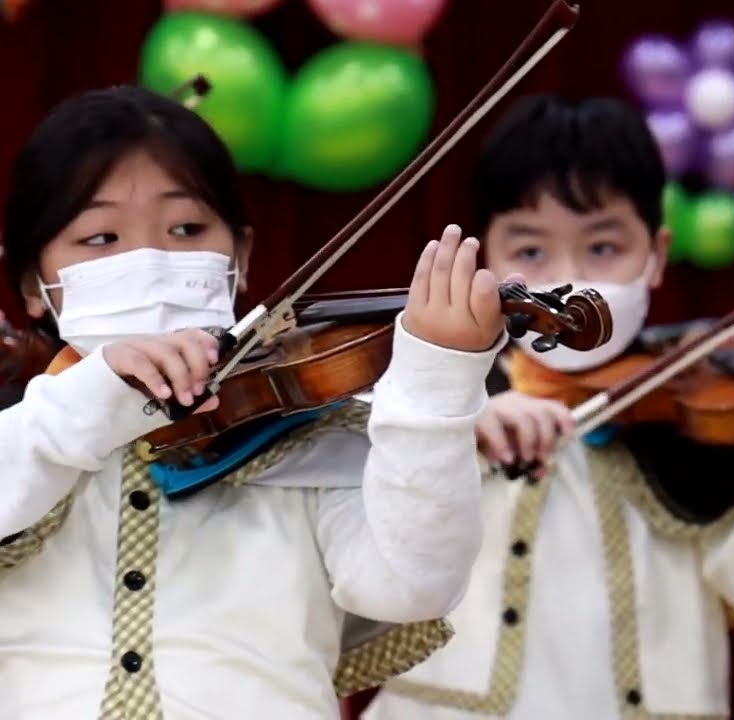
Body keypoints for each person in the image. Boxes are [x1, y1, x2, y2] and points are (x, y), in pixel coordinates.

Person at [0, 85, 509, 718]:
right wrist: (99, 394)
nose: (150, 261)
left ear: (240, 256)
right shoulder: (22, 432)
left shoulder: (306, 424)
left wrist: (436, 387)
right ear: (31, 283)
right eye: (101, 238)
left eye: (186, 228)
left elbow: (412, 586)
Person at [360, 94, 734, 719]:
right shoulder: (419, 394)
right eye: (530, 251)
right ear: (484, 259)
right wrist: (452, 419)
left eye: (602, 249)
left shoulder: (694, 415)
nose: (569, 281)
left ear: (655, 255)